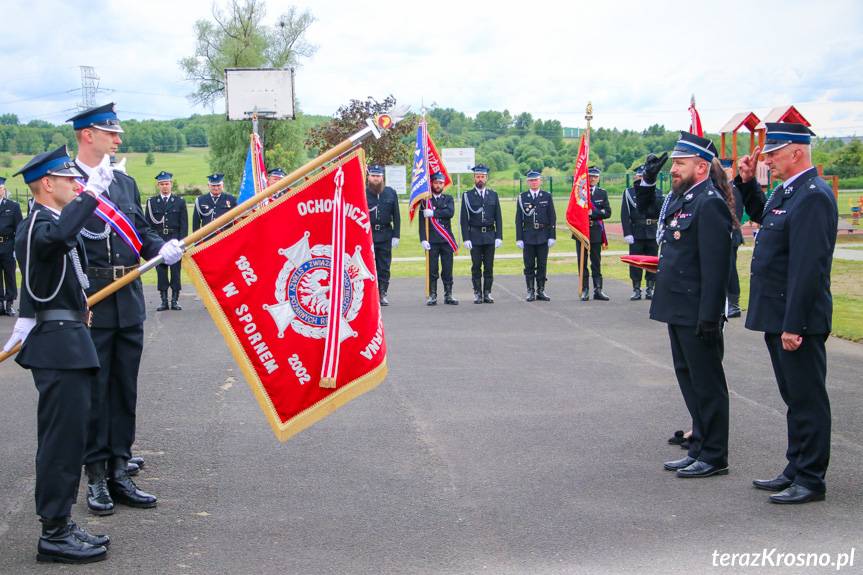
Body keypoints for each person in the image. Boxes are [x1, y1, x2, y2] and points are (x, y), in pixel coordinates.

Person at [68, 103, 184, 516]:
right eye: (110, 133)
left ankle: (120, 468)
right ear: (87, 135)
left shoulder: (124, 183)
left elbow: (140, 229)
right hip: (93, 295)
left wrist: (159, 247)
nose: (118, 140)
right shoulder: (65, 182)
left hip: (129, 294)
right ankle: (96, 475)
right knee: (95, 392)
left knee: (124, 389)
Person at [3, 146, 113, 563]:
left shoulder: (49, 222)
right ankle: (53, 531)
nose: (77, 184)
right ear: (47, 184)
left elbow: (47, 271)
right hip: (58, 344)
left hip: (68, 340)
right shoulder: (38, 224)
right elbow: (57, 239)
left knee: (71, 438)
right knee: (60, 442)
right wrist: (92, 196)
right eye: (70, 180)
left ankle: (61, 522)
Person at [735, 123, 838, 504]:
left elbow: (808, 268)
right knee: (794, 396)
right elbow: (767, 216)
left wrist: (794, 324)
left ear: (796, 152)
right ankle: (796, 467)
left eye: (774, 154)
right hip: (779, 313)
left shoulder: (812, 196)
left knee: (807, 399)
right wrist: (747, 184)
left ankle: (811, 479)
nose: (768, 161)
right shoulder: (787, 191)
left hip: (798, 318)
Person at [637, 132, 734, 479]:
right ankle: (699, 449)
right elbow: (651, 211)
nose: (674, 169)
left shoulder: (709, 202)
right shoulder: (685, 199)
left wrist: (710, 316)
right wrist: (647, 180)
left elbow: (715, 266)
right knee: (689, 380)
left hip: (697, 311)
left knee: (708, 385)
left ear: (702, 166)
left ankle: (715, 455)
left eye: (681, 163)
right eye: (674, 163)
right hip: (677, 307)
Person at [144, 171, 188, 311]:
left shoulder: (179, 202)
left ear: (171, 184)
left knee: (175, 272)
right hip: (159, 242)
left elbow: (184, 225)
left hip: (175, 241)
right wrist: (151, 244)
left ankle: (175, 300)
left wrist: (182, 244)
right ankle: (164, 301)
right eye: (162, 184)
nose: (165, 187)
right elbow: (148, 226)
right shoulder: (151, 203)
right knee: (161, 272)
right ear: (158, 185)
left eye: (167, 184)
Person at [460, 164, 503, 304]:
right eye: (478, 176)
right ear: (474, 178)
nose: (480, 179)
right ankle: (477, 292)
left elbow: (498, 217)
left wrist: (499, 236)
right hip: (475, 236)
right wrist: (466, 237)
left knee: (489, 266)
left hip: (490, 235)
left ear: (486, 178)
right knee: (476, 266)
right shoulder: (467, 196)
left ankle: (487, 292)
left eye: (482, 177)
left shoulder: (493, 195)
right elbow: (464, 219)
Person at [621, 165, 662, 300]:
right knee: (635, 262)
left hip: (652, 230)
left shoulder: (657, 192)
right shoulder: (629, 192)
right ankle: (636, 289)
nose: (642, 178)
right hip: (636, 232)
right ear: (636, 177)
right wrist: (627, 233)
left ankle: (650, 288)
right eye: (640, 175)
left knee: (652, 261)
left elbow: (661, 213)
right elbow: (625, 214)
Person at [515, 170, 556, 301]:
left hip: (543, 235)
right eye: (531, 180)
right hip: (528, 236)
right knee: (529, 265)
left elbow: (552, 217)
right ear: (528, 182)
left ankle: (541, 290)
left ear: (540, 181)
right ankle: (530, 291)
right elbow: (518, 219)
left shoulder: (547, 196)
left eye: (536, 180)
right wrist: (519, 238)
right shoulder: (522, 197)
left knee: (542, 265)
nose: (534, 182)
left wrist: (552, 236)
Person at [418, 172, 458, 305]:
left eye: (440, 183)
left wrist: (434, 213)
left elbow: (450, 213)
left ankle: (448, 294)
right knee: (432, 269)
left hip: (446, 240)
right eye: (436, 183)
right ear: (432, 183)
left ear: (443, 185)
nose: (438, 185)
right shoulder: (425, 201)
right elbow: (421, 222)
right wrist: (423, 239)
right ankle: (433, 295)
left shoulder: (448, 199)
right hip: (432, 240)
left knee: (447, 269)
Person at [574, 166, 611, 301]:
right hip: (581, 231)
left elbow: (607, 213)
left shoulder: (602, 193)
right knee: (582, 262)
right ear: (586, 177)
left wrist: (592, 213)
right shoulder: (578, 192)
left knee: (596, 261)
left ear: (599, 178)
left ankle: (598, 289)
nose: (593, 179)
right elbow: (574, 211)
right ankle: (585, 289)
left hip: (595, 231)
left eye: (595, 176)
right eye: (590, 176)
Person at [366, 164, 400, 306]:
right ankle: (369, 295)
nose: (375, 179)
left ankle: (382, 293)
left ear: (382, 177)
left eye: (378, 176)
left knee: (384, 266)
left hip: (386, 234)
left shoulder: (390, 193)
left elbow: (396, 216)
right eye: (373, 176)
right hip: (368, 235)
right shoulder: (363, 192)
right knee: (368, 266)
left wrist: (396, 235)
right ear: (368, 177)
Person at [720, 159, 745, 318]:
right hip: (724, 234)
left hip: (730, 233)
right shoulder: (723, 188)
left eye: (726, 169)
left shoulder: (733, 189)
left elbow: (736, 214)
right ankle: (727, 302)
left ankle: (734, 304)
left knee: (730, 269)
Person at [0, 176, 23, 315]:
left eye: (1, 188)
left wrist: (16, 248)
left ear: (4, 190)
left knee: (10, 275)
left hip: (8, 245)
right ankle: (0, 305)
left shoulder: (13, 206)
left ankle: (9, 304)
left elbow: (19, 228)